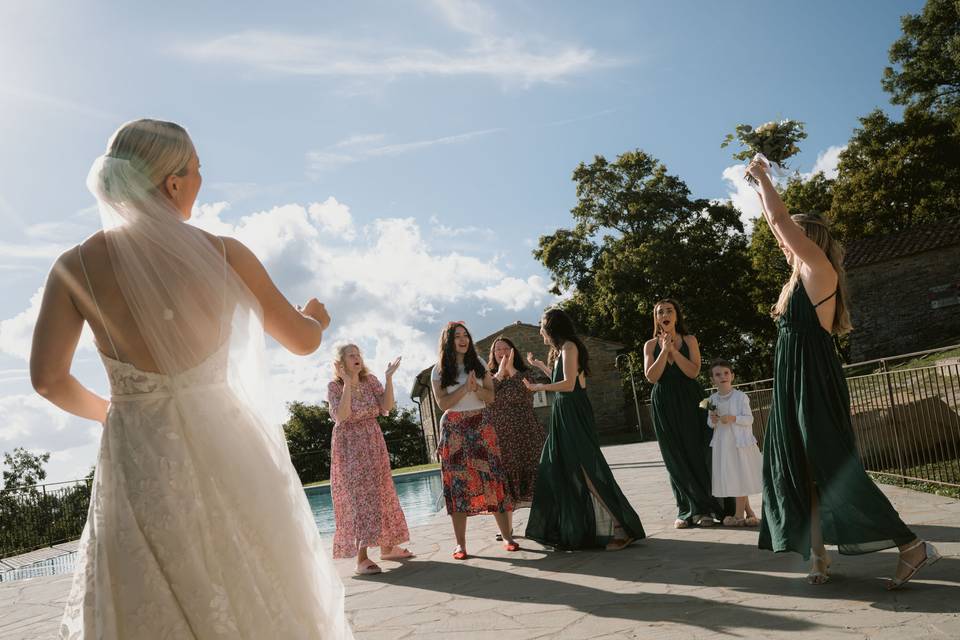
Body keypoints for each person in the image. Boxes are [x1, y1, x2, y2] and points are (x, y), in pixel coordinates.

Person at [30, 119, 353, 638]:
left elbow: (47, 379)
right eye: (198, 169)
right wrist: (315, 316)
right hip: (228, 445)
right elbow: (302, 341)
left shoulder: (75, 266)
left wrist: (112, 411)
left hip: (137, 455)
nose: (203, 180)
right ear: (173, 182)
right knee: (258, 585)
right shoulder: (224, 254)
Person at [747, 156, 940, 588]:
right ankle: (819, 555)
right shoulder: (798, 277)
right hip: (792, 381)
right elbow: (774, 223)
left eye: (792, 237)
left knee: (833, 465)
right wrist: (756, 189)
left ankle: (911, 545)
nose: (782, 242)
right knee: (801, 466)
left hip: (812, 380)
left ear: (808, 239)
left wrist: (763, 177)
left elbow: (779, 221)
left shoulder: (820, 270)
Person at [524, 308, 644, 550]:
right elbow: (562, 377)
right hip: (563, 411)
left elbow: (569, 385)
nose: (539, 331)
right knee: (556, 466)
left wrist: (539, 388)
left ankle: (621, 528)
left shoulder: (570, 347)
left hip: (572, 412)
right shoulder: (560, 352)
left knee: (585, 469)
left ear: (551, 327)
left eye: (542, 326)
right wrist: (540, 366)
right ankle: (565, 528)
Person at [431, 322, 517, 560]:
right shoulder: (438, 370)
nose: (463, 339)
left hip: (481, 424)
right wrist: (464, 389)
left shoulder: (478, 363)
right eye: (457, 336)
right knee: (457, 485)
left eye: (465, 335)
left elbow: (490, 396)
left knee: (493, 478)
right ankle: (461, 545)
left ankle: (508, 537)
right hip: (454, 428)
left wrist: (475, 390)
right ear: (448, 341)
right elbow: (443, 404)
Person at [644, 299, 730, 529]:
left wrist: (674, 350)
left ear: (677, 316)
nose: (665, 314)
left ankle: (705, 509)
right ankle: (685, 510)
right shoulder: (650, 346)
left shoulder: (690, 340)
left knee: (696, 451)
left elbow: (693, 371)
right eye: (660, 311)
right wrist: (664, 351)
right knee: (674, 456)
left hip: (690, 400)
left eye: (669, 310)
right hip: (664, 403)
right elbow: (652, 377)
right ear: (656, 318)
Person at [328, 343, 413, 575]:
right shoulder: (334, 387)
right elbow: (342, 416)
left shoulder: (371, 380)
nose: (356, 358)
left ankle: (387, 547)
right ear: (341, 362)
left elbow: (386, 406)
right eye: (351, 355)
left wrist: (388, 379)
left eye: (358, 354)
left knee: (381, 492)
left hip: (373, 442)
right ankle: (361, 558)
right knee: (359, 499)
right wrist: (347, 383)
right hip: (349, 448)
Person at [483, 336, 548, 540]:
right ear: (493, 355)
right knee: (506, 479)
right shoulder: (489, 377)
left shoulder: (525, 374)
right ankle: (507, 530)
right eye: (497, 350)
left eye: (505, 349)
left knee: (536, 476)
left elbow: (525, 393)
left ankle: (546, 524)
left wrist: (511, 370)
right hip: (501, 435)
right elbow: (488, 399)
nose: (501, 352)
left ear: (513, 351)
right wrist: (501, 373)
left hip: (527, 432)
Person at [705, 359, 762, 527]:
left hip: (740, 443)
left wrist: (733, 418)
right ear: (712, 380)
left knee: (741, 475)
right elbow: (710, 423)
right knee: (735, 476)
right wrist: (713, 420)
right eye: (717, 374)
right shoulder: (712, 399)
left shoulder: (740, 397)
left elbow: (749, 419)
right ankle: (750, 513)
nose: (722, 376)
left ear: (732, 376)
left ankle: (738, 515)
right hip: (724, 444)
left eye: (726, 373)